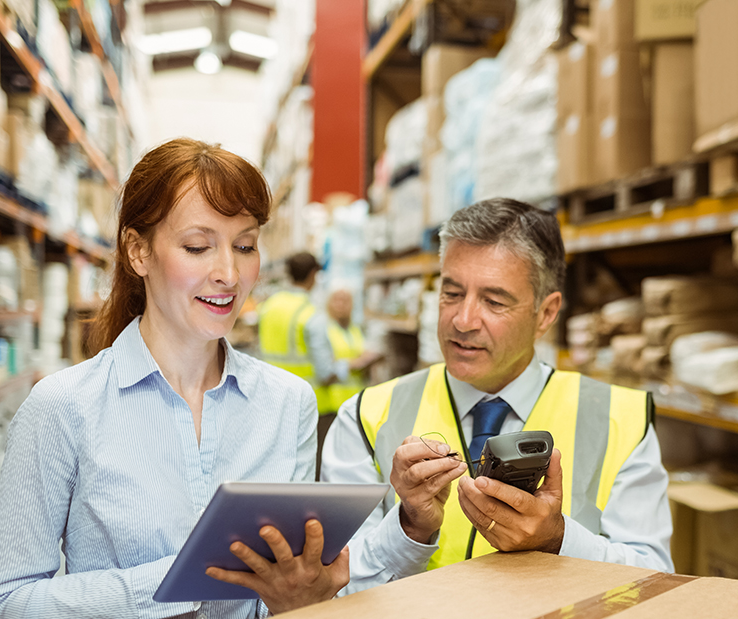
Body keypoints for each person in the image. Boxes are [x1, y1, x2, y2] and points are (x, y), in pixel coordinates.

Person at [0, 139, 349, 619]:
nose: (229, 274)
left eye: (245, 246)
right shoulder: (64, 407)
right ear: (138, 251)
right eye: (198, 247)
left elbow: (281, 592)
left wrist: (297, 598)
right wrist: (178, 579)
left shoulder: (288, 403)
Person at [322, 198, 673, 594]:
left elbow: (654, 581)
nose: (463, 320)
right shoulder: (367, 417)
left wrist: (557, 541)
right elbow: (334, 588)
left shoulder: (619, 420)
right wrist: (409, 528)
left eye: (494, 301)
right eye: (451, 293)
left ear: (545, 313)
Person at [257, 252, 349, 475]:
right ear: (313, 275)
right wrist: (348, 367)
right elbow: (325, 372)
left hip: (271, 401)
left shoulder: (269, 307)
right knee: (311, 473)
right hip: (311, 407)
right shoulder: (310, 315)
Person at [324, 287, 382, 413]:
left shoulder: (354, 330)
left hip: (354, 403)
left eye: (345, 301)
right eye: (337, 300)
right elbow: (324, 367)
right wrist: (355, 363)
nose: (341, 305)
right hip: (331, 404)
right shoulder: (324, 330)